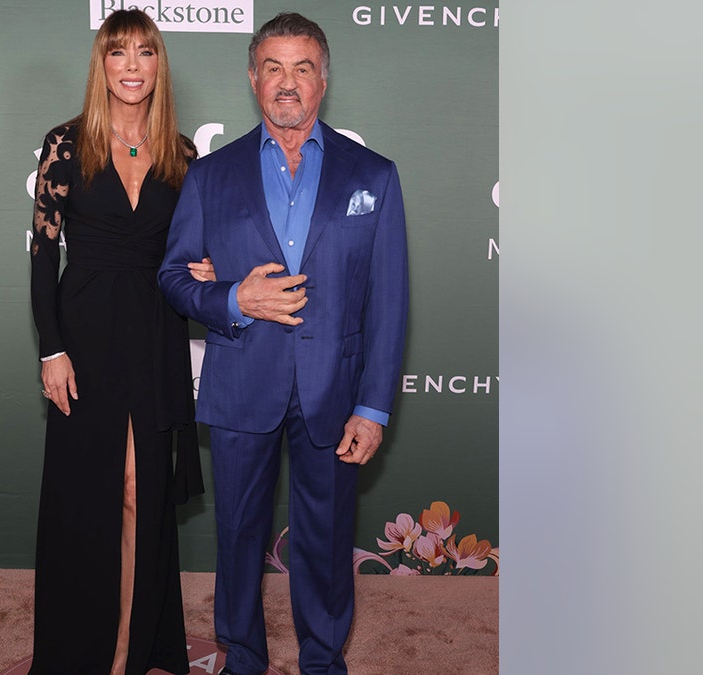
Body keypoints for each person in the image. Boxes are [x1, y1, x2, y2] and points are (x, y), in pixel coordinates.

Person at [158, 12, 409, 675]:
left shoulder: (374, 175)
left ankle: (324, 661)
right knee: (238, 539)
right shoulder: (211, 175)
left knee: (326, 544)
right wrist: (234, 298)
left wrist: (374, 406)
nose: (287, 83)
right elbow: (174, 276)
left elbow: (389, 301)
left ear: (323, 80)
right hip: (243, 382)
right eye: (273, 68)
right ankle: (244, 658)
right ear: (252, 78)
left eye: (302, 68)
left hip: (336, 388)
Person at [28, 9, 210, 675]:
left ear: (159, 65)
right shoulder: (66, 145)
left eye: (144, 53)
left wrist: (208, 270)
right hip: (86, 338)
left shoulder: (182, 153)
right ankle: (85, 645)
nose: (131, 67)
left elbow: (193, 251)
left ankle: (129, 650)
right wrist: (52, 348)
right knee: (90, 499)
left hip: (156, 336)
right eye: (118, 53)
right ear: (101, 65)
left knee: (140, 493)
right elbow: (42, 256)